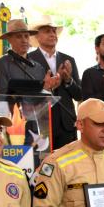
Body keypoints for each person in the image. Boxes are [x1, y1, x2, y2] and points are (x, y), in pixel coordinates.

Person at [28, 16, 82, 150]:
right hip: (41, 124)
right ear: (37, 36)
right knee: (44, 162)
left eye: (53, 31)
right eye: (47, 31)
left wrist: (68, 80)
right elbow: (28, 96)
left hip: (66, 124)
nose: (52, 34)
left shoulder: (68, 59)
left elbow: (79, 95)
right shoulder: (29, 60)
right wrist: (48, 87)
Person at [0, 19, 60, 97]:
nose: (24, 40)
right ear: (9, 39)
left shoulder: (38, 67)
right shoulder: (0, 64)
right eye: (19, 36)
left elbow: (45, 98)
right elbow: (1, 96)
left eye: (26, 36)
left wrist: (48, 88)